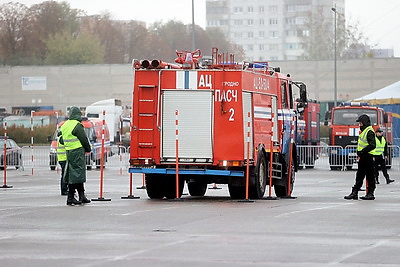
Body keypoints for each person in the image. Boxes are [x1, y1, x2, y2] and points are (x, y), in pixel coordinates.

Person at [60, 107, 91, 205]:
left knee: (75, 174)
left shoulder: (64, 125)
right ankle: (70, 197)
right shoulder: (77, 126)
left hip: (69, 152)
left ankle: (82, 196)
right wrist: (88, 149)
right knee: (77, 174)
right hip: (77, 151)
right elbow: (84, 139)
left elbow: (61, 139)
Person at [344, 114, 376, 200]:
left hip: (368, 156)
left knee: (370, 176)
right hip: (363, 157)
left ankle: (370, 193)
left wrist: (363, 151)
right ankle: (355, 192)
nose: (359, 125)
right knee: (359, 175)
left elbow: (373, 145)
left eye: (360, 123)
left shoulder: (369, 131)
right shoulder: (364, 131)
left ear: (365, 123)